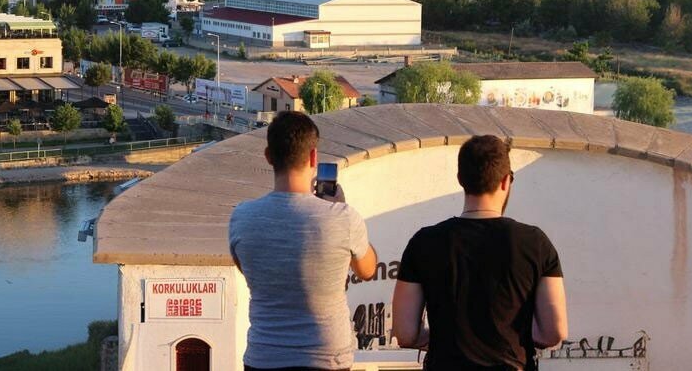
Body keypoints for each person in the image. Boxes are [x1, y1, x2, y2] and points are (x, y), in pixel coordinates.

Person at [392, 135, 568, 370]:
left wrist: (446, 342)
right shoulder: (535, 243)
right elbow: (553, 332)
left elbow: (404, 334)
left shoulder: (424, 242)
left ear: (460, 179)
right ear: (506, 181)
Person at [229, 111, 378, 371]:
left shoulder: (241, 217)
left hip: (264, 358)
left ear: (268, 156)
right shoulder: (342, 218)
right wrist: (339, 210)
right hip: (327, 358)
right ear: (313, 157)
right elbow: (367, 270)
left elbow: (248, 270)